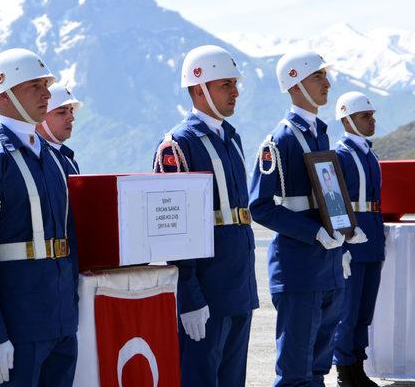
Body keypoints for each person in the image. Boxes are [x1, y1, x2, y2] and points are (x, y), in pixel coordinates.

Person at [0, 48, 79, 386]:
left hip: (60, 321)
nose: (46, 93)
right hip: (18, 323)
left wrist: (72, 309)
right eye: (33, 86)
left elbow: (70, 242)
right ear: (4, 96)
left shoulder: (55, 161)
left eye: (46, 85)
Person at [249, 50, 366, 386]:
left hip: (327, 265)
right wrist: (314, 233)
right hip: (298, 268)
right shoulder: (279, 140)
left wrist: (344, 233)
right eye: (318, 77)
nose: (327, 83)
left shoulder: (321, 134)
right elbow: (260, 206)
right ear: (295, 84)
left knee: (318, 366)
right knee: (295, 370)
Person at [153, 45, 258, 387]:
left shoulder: (231, 138)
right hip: (208, 288)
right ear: (199, 88)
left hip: (238, 284)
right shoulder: (178, 145)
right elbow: (171, 228)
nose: (235, 92)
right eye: (225, 84)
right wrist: (189, 294)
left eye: (234, 83)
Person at [332, 91, 383, 387]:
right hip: (352, 240)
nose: (372, 120)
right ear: (347, 118)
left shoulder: (370, 153)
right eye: (365, 116)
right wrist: (341, 245)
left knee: (364, 311)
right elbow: (333, 201)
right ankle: (344, 372)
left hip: (373, 238)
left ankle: (358, 367)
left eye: (372, 115)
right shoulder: (339, 155)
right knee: (347, 311)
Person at [36, 83, 83, 174]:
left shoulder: (70, 162)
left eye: (71, 111)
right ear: (40, 116)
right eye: (62, 112)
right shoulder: (30, 158)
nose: (71, 118)